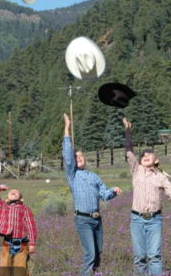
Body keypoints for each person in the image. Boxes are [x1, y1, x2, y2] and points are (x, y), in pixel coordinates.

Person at [123, 117, 171, 275]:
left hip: (154, 220)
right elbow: (129, 151)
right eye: (143, 155)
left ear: (156, 160)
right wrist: (128, 131)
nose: (145, 155)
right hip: (137, 219)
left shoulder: (160, 177)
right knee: (139, 257)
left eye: (149, 154)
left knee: (154, 256)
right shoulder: (136, 170)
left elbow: (170, 190)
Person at [62, 113, 122, 275]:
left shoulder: (94, 176)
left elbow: (104, 194)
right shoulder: (72, 174)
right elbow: (67, 154)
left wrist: (113, 191)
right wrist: (67, 128)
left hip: (97, 219)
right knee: (90, 254)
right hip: (83, 220)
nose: (78, 157)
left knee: (98, 254)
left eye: (80, 155)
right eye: (76, 156)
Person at [0, 184, 37, 276]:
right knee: (3, 267)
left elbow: (30, 226)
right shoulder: (2, 206)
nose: (14, 191)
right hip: (7, 243)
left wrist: (32, 243)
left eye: (16, 192)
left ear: (21, 199)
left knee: (20, 269)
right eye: (11, 191)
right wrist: (0, 188)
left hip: (21, 244)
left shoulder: (24, 209)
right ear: (7, 199)